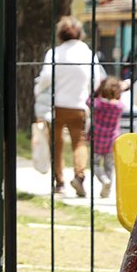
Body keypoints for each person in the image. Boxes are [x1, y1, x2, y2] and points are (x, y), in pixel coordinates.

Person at [35, 16, 104, 198]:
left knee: (56, 145)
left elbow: (46, 77)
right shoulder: (88, 53)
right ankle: (79, 176)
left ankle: (59, 183)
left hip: (57, 105)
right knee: (79, 142)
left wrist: (37, 90)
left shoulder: (55, 53)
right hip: (79, 105)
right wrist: (86, 93)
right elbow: (96, 80)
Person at [89, 77, 126, 198]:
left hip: (98, 138)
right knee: (109, 165)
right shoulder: (119, 107)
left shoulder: (99, 104)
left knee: (94, 163)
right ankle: (107, 189)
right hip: (112, 140)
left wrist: (97, 90)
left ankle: (104, 179)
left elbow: (89, 101)